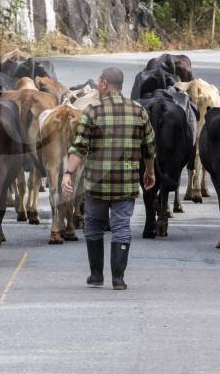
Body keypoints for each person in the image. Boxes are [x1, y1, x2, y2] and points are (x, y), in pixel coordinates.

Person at [62, 67, 155, 290]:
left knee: (93, 225)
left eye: (98, 81)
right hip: (126, 183)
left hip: (97, 183)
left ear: (104, 84)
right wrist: (149, 171)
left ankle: (96, 275)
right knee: (122, 225)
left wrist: (68, 173)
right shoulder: (138, 110)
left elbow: (78, 148)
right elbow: (149, 147)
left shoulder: (92, 110)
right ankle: (118, 279)